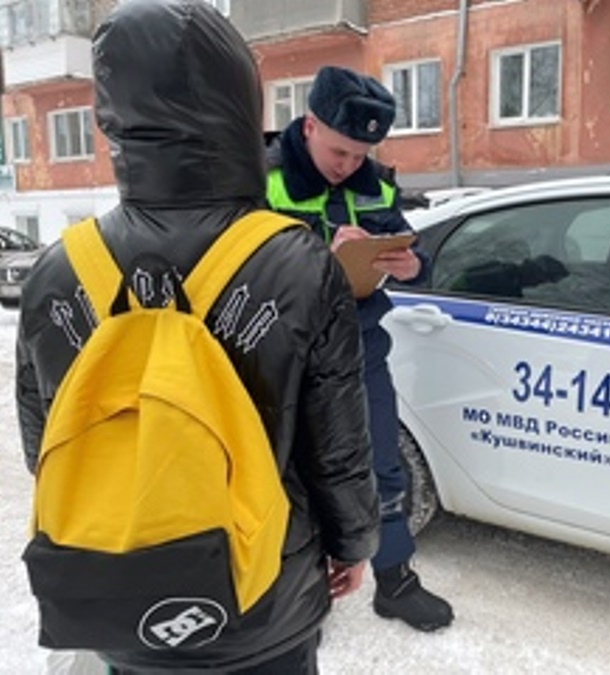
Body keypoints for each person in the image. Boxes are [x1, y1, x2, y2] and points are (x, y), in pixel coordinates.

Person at [15, 1, 379, 672]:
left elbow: (47, 444)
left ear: (111, 114)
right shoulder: (297, 263)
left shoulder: (56, 271)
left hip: (115, 595)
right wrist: (354, 543)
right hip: (264, 598)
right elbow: (337, 448)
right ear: (239, 106)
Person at [266, 66, 454, 632]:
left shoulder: (376, 185)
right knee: (291, 474)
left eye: (360, 154)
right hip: (285, 351)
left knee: (380, 464)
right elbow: (240, 267)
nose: (349, 165)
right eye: (339, 151)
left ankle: (394, 582)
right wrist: (322, 255)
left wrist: (412, 264)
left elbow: (412, 251)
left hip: (360, 347)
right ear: (309, 126)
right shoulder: (262, 180)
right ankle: (301, 597)